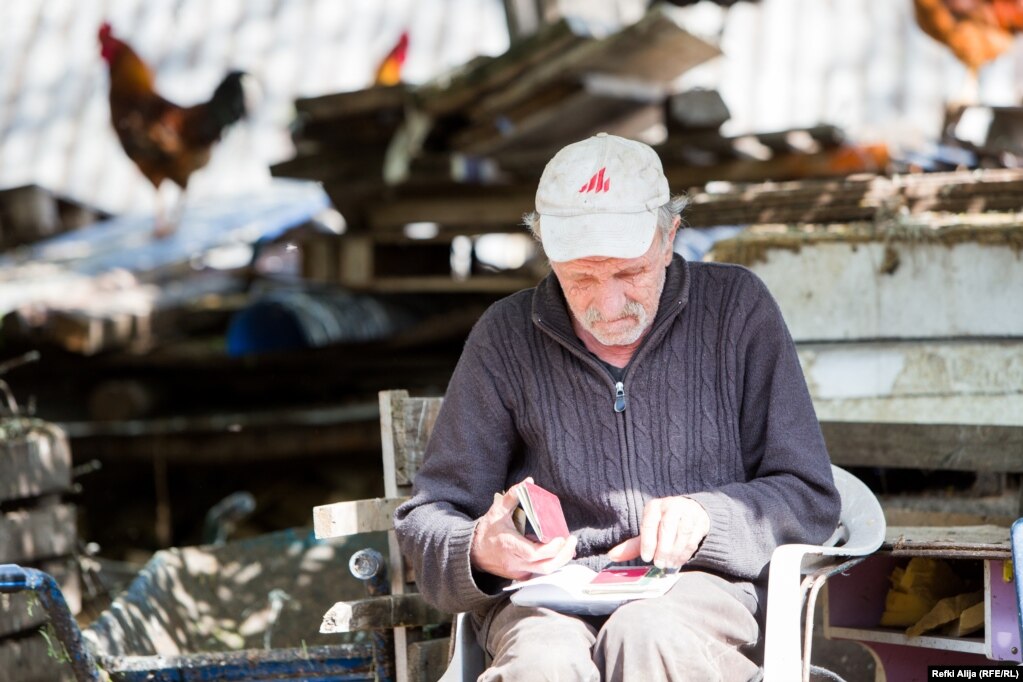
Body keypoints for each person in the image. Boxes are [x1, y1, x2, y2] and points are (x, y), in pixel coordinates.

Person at [394, 132, 841, 681]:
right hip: (548, 600)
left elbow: (810, 497)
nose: (607, 305)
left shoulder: (737, 312)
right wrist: (478, 547)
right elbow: (429, 515)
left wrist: (706, 517)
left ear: (670, 235)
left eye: (630, 272)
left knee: (646, 634)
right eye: (581, 277)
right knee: (543, 664)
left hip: (698, 589)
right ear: (547, 252)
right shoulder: (504, 337)